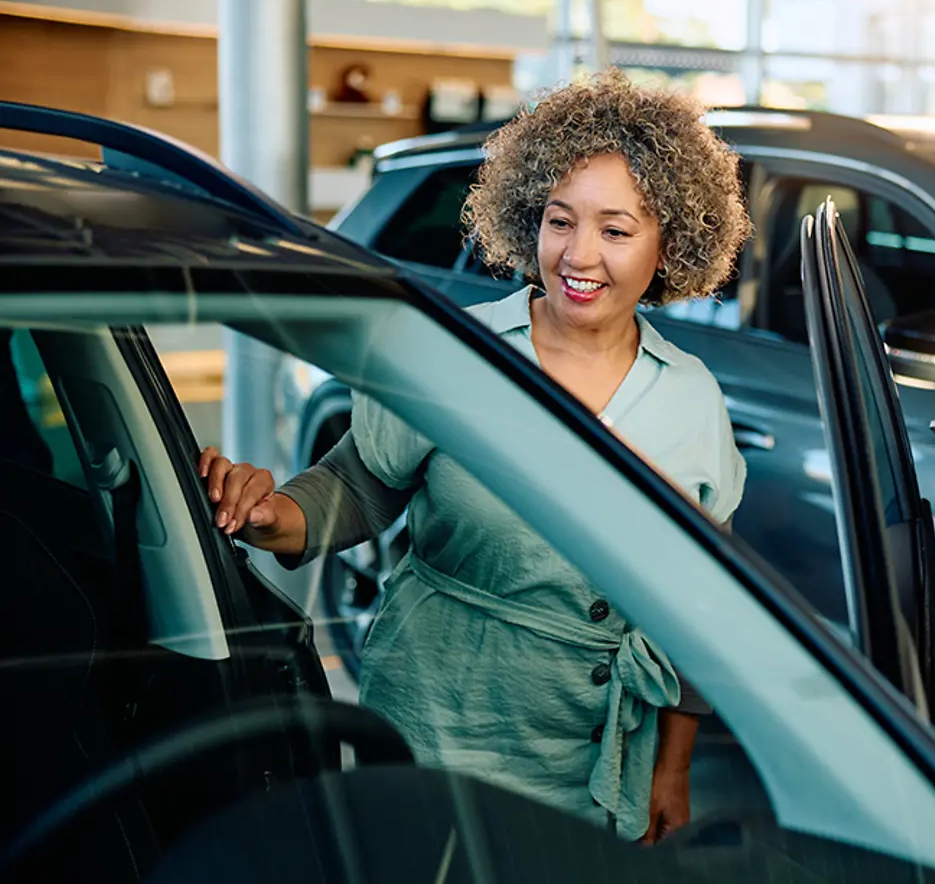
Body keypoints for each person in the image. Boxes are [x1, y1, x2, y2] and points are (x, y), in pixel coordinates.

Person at [197, 70, 752, 843]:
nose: (578, 255)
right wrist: (268, 516)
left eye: (616, 231)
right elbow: (358, 486)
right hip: (437, 723)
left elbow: (702, 606)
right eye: (560, 221)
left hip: (592, 753)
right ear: (529, 217)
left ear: (672, 243)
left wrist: (672, 767)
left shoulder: (690, 398)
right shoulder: (459, 355)